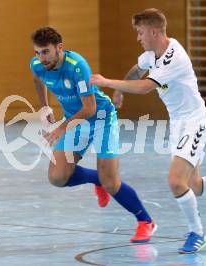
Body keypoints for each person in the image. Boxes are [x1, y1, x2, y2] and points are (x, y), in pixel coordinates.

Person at [89, 8, 206, 253]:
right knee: (194, 186)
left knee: (175, 182)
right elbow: (138, 69)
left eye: (140, 33)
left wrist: (108, 83)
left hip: (194, 122)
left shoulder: (175, 56)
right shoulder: (151, 54)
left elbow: (143, 87)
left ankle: (197, 233)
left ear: (154, 31)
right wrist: (119, 91)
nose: (138, 38)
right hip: (179, 124)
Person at [29, 26, 157, 243]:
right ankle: (97, 178)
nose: (41, 58)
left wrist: (61, 128)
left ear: (59, 48)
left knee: (112, 184)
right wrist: (45, 107)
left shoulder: (77, 67)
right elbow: (38, 80)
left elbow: (89, 109)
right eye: (37, 52)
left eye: (46, 52)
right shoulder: (37, 65)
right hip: (76, 121)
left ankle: (145, 221)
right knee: (57, 177)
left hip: (101, 119)